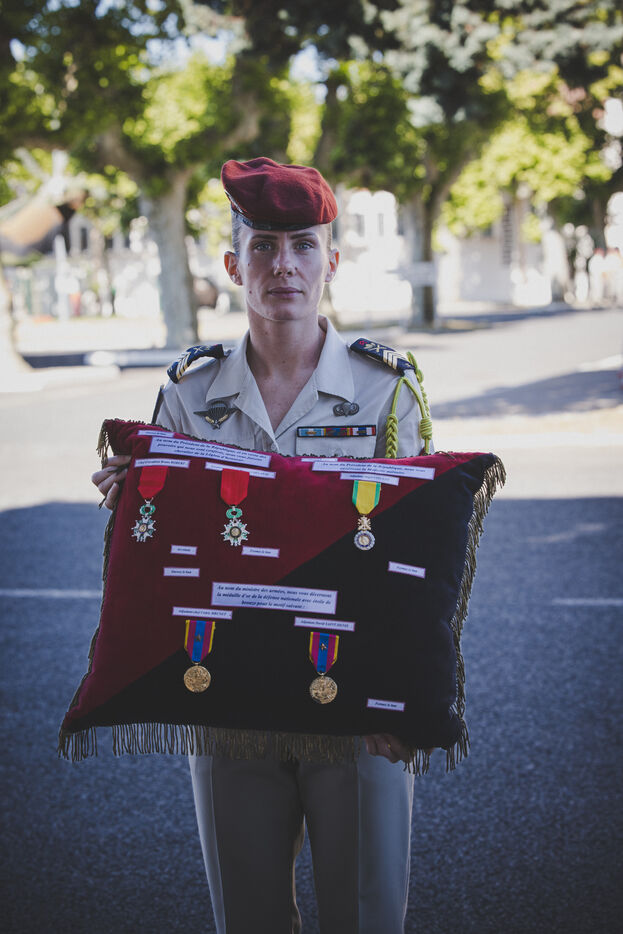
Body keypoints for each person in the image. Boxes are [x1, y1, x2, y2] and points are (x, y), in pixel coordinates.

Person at [92, 157, 430, 934]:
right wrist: (134, 502)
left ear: (331, 261)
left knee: (363, 916)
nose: (284, 265)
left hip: (353, 697)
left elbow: (412, 557)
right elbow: (167, 550)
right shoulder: (189, 393)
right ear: (232, 265)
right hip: (228, 694)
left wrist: (401, 694)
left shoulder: (385, 389)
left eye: (303, 245)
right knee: (246, 918)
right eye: (264, 246)